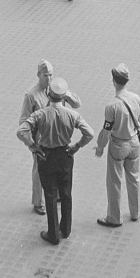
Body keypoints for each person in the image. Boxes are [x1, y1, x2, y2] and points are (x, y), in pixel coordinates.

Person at [16, 76, 95, 245]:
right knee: (66, 193)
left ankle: (53, 234)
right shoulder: (72, 114)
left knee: (50, 195)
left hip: (46, 156)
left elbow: (21, 130)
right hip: (65, 155)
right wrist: (77, 146)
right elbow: (90, 132)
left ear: (49, 95)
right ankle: (65, 229)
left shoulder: (40, 114)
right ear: (63, 96)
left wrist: (32, 145)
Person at [19, 61, 81, 216]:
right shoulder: (32, 95)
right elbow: (23, 121)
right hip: (42, 141)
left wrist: (66, 94)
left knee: (58, 169)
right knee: (39, 171)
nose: (49, 78)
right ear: (38, 75)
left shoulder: (58, 88)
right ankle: (38, 202)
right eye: (45, 75)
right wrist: (31, 143)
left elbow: (77, 104)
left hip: (59, 138)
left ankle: (57, 195)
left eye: (51, 74)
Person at [94, 64, 140, 228]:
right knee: (134, 178)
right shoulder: (136, 98)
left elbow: (106, 130)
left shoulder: (112, 106)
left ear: (114, 81)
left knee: (114, 182)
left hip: (118, 146)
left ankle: (115, 217)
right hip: (134, 143)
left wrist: (100, 147)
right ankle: (135, 212)